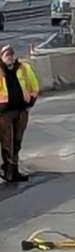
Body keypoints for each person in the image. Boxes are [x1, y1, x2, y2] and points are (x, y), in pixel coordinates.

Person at [0, 45, 39, 183]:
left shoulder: (23, 68)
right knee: (7, 142)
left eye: (10, 54)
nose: (9, 56)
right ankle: (8, 171)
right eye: (6, 54)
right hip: (4, 113)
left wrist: (31, 101)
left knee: (17, 142)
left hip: (21, 111)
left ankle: (14, 170)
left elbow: (34, 86)